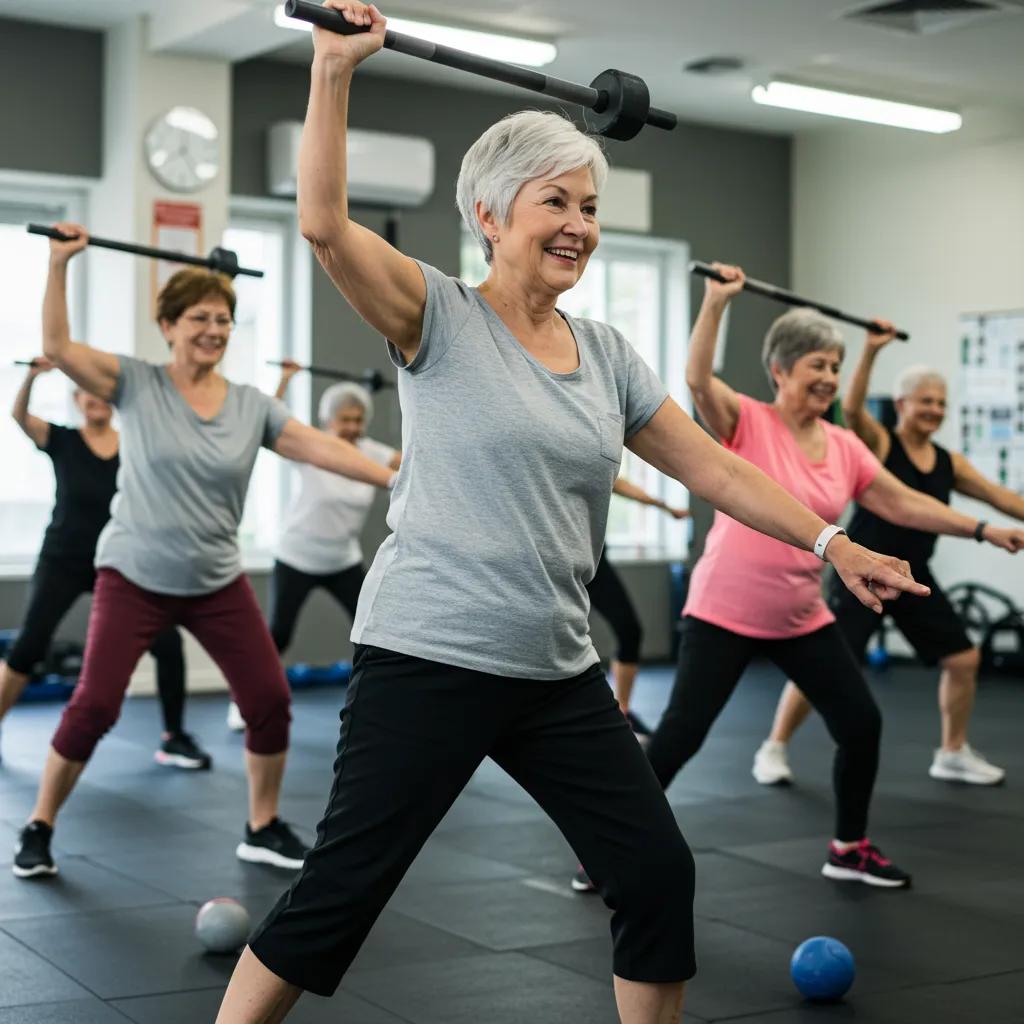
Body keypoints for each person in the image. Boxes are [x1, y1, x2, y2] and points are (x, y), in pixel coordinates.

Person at [215, 7, 930, 1021]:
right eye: (556, 200)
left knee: (653, 875)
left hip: (556, 673)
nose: (580, 226)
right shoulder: (435, 316)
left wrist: (833, 539)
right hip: (428, 655)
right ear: (490, 215)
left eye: (589, 206)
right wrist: (333, 68)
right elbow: (326, 226)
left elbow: (716, 472)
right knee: (339, 893)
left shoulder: (605, 353)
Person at [12, 224, 396, 881]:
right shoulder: (136, 384)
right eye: (199, 318)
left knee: (270, 699)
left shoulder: (250, 406)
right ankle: (40, 823)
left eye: (224, 320)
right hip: (133, 574)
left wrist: (395, 476)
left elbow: (318, 446)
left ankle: (261, 825)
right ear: (167, 324)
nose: (214, 330)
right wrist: (59, 265)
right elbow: (56, 347)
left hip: (216, 581)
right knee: (96, 706)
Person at [639, 264, 1023, 893]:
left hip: (799, 614)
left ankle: (848, 847)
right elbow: (696, 379)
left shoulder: (845, 444)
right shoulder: (746, 422)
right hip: (722, 612)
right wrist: (716, 304)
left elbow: (902, 502)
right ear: (781, 371)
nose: (829, 377)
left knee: (860, 723)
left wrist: (981, 530)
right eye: (817, 364)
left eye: (836, 367)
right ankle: (612, 848)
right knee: (680, 736)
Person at [753, 335, 1024, 787]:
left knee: (962, 658)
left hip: (914, 577)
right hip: (865, 574)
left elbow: (1000, 497)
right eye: (925, 401)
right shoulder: (878, 445)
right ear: (901, 404)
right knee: (823, 663)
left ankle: (952, 752)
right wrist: (873, 351)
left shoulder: (948, 462)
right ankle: (774, 746)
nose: (934, 410)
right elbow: (855, 409)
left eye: (941, 403)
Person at [0, 358, 210, 771]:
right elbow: (18, 416)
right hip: (62, 559)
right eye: (86, 394)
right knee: (29, 646)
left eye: (101, 394)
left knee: (167, 642)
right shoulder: (61, 439)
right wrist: (31, 376)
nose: (95, 400)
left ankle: (174, 737)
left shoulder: (133, 442)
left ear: (111, 401)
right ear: (77, 400)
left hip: (118, 560)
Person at [225, 360, 400, 731]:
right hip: (297, 557)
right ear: (328, 420)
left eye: (357, 419)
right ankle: (244, 699)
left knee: (374, 628)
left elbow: (415, 463)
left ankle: (381, 702)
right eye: (344, 419)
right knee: (279, 634)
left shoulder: (373, 453)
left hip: (342, 560)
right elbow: (265, 426)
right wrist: (284, 380)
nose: (351, 427)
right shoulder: (313, 449)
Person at [590, 477, 689, 738]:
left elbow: (617, 482)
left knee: (629, 630)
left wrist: (664, 507)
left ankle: (622, 712)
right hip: (546, 563)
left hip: (594, 560)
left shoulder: (587, 454)